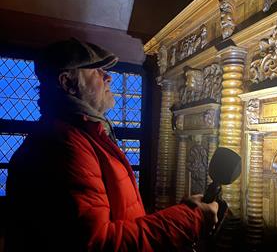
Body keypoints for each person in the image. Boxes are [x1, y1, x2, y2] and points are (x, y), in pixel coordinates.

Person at [5, 38, 218, 251]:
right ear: (67, 83)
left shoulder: (81, 135)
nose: (108, 77)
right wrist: (191, 217)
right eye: (96, 71)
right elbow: (99, 243)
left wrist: (183, 213)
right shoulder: (64, 145)